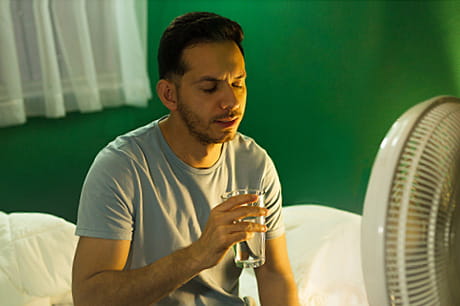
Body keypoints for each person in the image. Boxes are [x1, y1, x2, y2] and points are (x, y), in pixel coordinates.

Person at [72, 12, 299, 306]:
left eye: (238, 83)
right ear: (169, 95)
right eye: (209, 88)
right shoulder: (122, 168)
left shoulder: (253, 164)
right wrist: (200, 254)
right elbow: (90, 299)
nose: (231, 102)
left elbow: (274, 276)